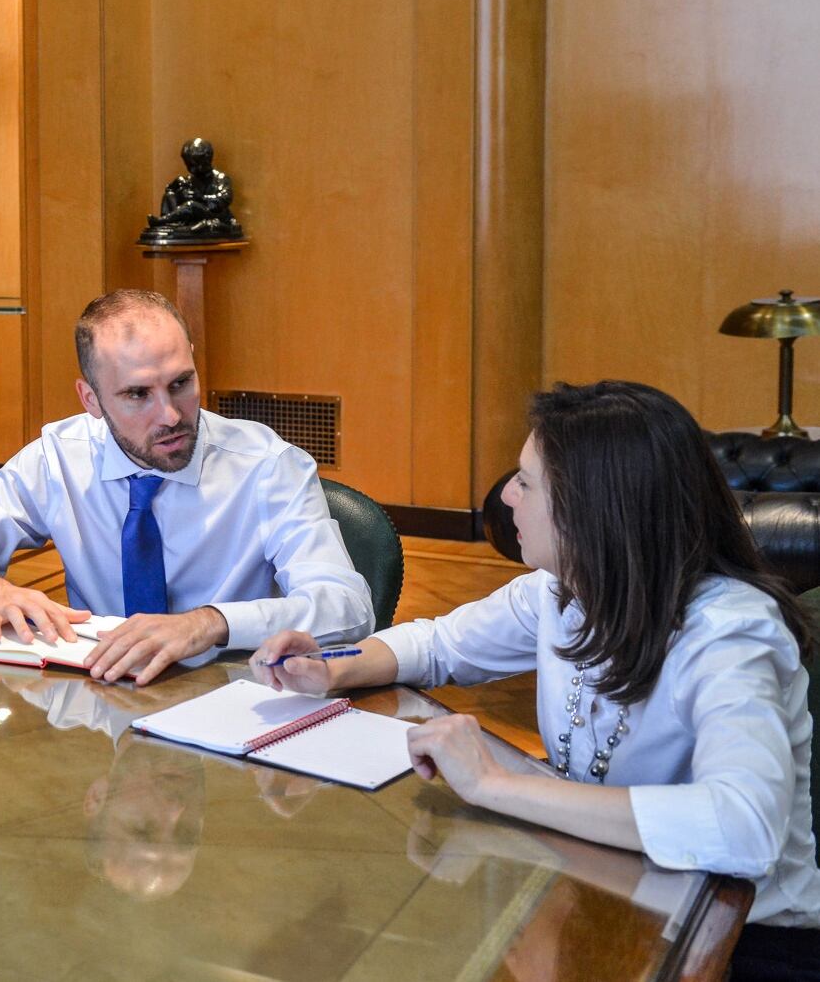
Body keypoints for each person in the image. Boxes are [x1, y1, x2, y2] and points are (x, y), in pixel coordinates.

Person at [252, 380, 820, 975]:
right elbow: (438, 643)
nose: (505, 495)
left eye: (525, 480)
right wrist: (330, 667)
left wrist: (496, 783)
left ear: (593, 509)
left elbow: (743, 829)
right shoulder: (563, 593)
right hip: (614, 887)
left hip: (744, 940)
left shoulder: (730, 633)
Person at [0, 288, 372, 685]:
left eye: (181, 383)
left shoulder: (268, 468)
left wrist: (210, 623)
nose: (170, 415)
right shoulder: (58, 458)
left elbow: (347, 606)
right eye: (137, 394)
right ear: (91, 399)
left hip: (228, 694)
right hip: (99, 698)